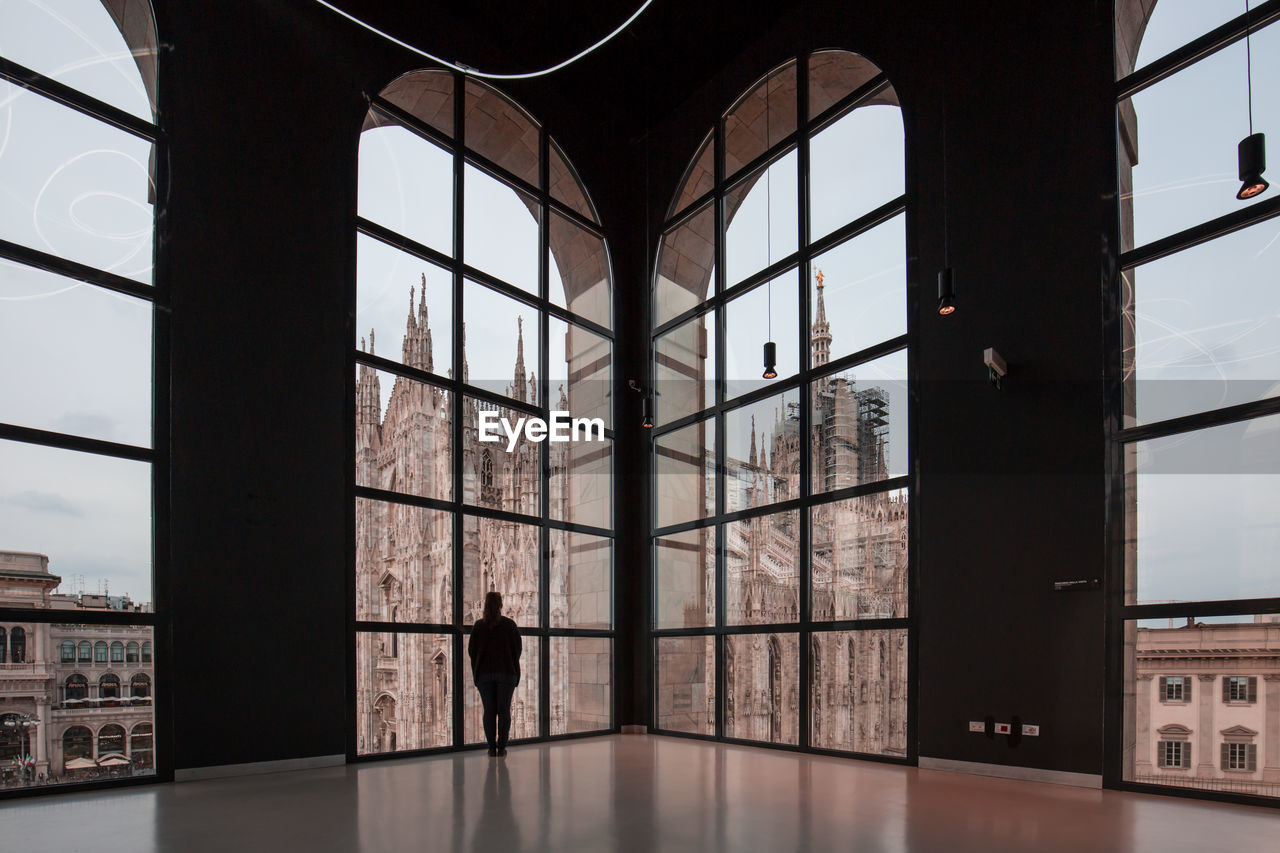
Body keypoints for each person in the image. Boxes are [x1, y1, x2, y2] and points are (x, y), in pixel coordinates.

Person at [468, 591, 522, 757]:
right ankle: (502, 747)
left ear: (485, 605)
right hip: (506, 674)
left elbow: (472, 651)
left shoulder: (478, 626)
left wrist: (478, 669)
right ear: (501, 605)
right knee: (504, 711)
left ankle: (491, 748)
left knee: (489, 711)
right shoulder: (510, 624)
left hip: (484, 675)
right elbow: (517, 650)